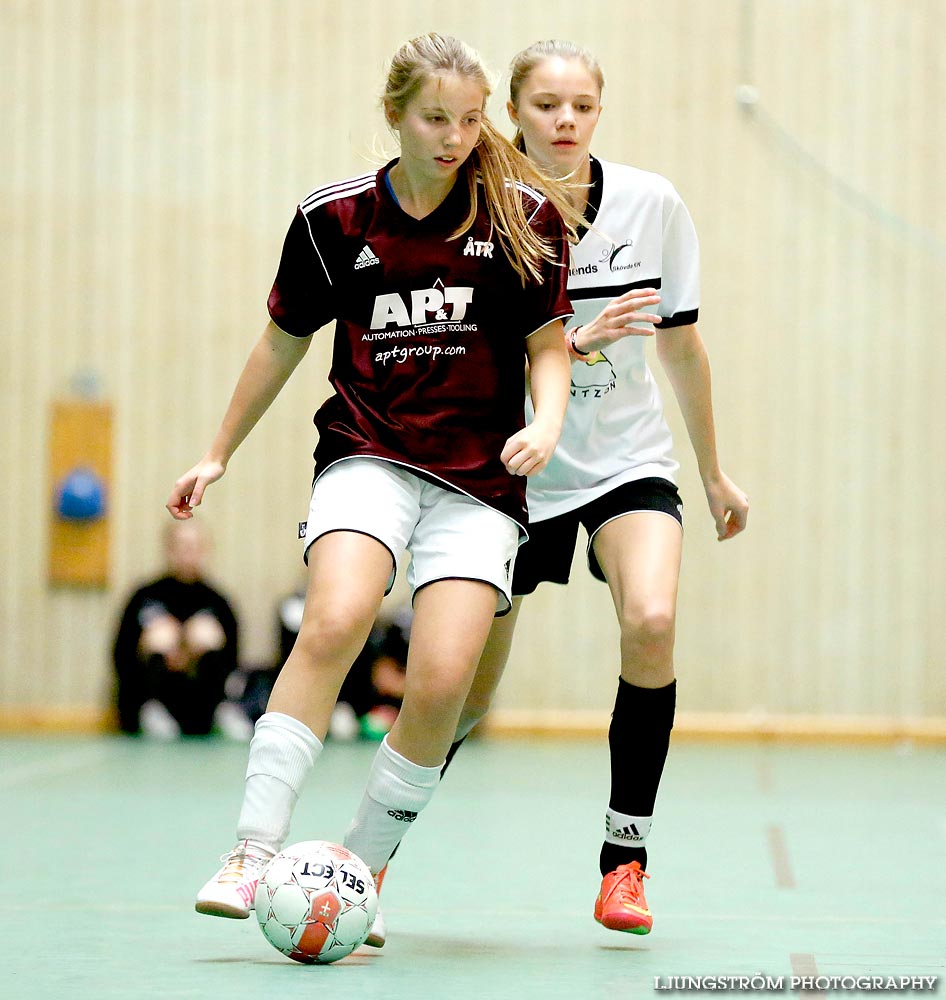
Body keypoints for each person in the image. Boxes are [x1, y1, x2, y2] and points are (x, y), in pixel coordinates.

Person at [166, 33, 586, 925]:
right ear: (392, 112)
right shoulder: (334, 221)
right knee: (338, 616)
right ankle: (250, 852)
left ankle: (358, 872)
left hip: (480, 481)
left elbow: (548, 348)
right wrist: (217, 451)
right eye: (436, 118)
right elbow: (282, 342)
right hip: (370, 451)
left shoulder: (521, 216)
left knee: (441, 682)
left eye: (472, 121)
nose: (454, 137)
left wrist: (546, 423)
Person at [383, 40, 750, 942]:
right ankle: (373, 856)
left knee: (653, 621)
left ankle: (626, 859)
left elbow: (682, 348)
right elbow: (463, 352)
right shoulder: (477, 209)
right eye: (547, 105)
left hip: (629, 462)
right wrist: (577, 343)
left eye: (583, 105)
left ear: (599, 111)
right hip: (513, 468)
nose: (566, 122)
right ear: (514, 112)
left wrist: (710, 471)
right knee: (461, 690)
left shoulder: (651, 203)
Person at [113, 519, 245, 738]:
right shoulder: (144, 597)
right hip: (151, 697)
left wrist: (194, 653)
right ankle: (152, 711)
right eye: (181, 546)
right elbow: (119, 656)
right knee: (160, 636)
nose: (188, 554)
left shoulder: (218, 602)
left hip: (199, 700)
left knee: (206, 634)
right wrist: (150, 647)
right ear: (168, 549)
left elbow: (234, 662)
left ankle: (214, 714)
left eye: (194, 547)